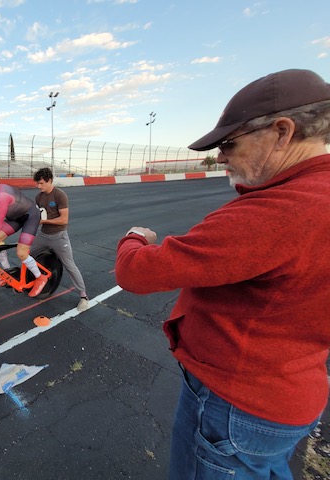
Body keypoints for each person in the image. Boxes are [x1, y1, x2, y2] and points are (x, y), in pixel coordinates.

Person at [114, 69, 330, 479]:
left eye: (229, 143)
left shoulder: (280, 211)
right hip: (291, 392)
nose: (220, 157)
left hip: (236, 405)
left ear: (282, 132)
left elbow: (135, 273)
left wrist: (134, 238)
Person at [31, 167, 89, 311]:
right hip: (43, 235)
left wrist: (44, 221)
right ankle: (35, 282)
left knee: (69, 265)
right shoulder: (38, 197)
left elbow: (64, 220)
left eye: (41, 183)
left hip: (59, 236)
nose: (38, 186)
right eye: (37, 183)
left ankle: (83, 296)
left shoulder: (60, 195)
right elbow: (38, 215)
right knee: (26, 256)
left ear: (50, 180)